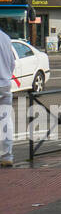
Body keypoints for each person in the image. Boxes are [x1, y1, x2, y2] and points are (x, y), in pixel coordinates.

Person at [0, 26, 17, 167]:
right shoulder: (5, 37)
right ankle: (7, 156)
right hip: (5, 85)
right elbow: (12, 63)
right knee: (5, 121)